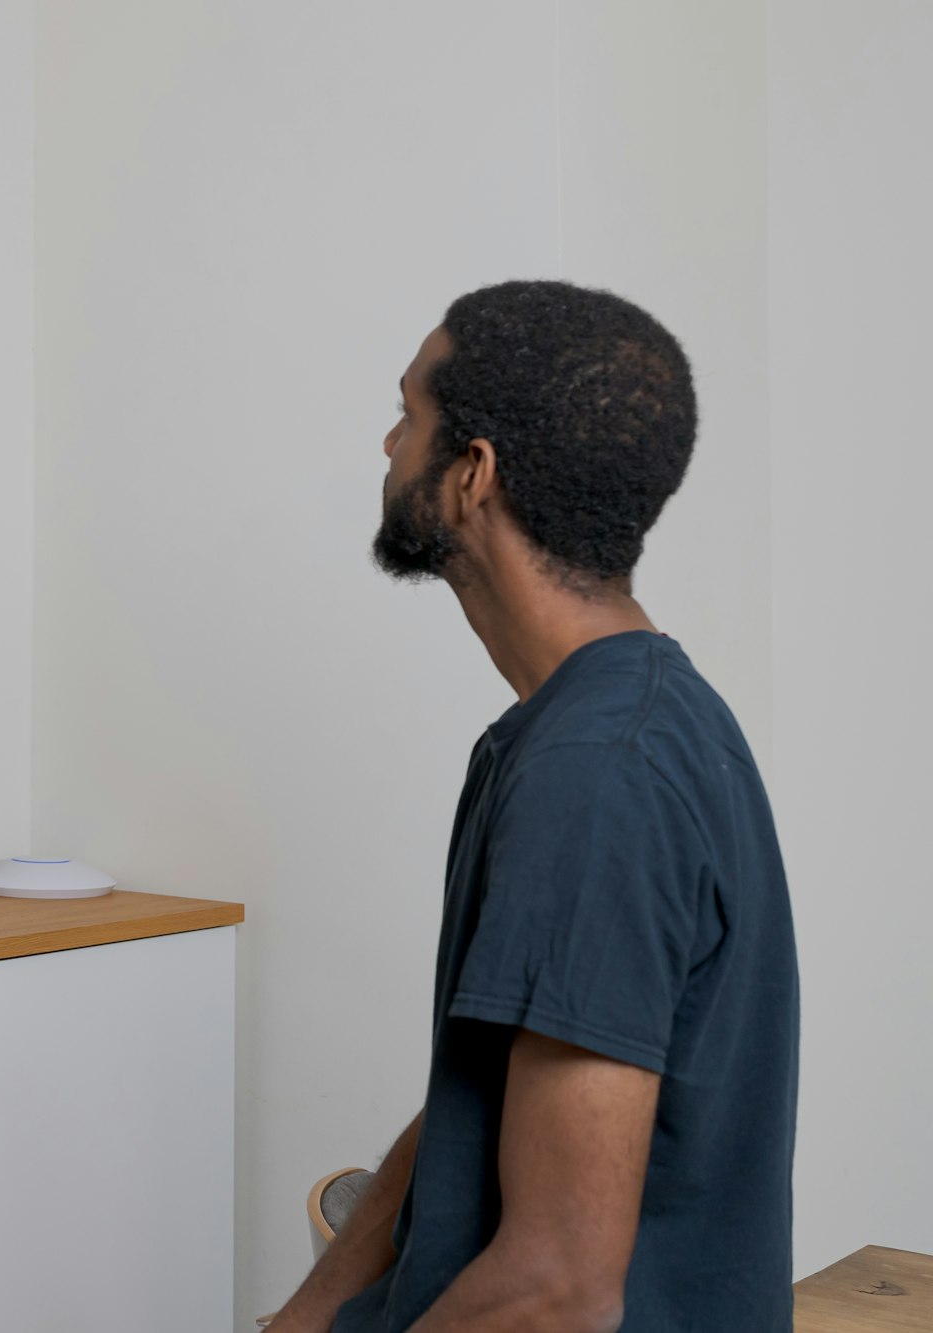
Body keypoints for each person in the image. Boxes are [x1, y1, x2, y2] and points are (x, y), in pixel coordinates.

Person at [272, 280, 797, 1332]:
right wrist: (310, 1311)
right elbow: (500, 1075)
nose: (385, 442)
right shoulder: (616, 723)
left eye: (407, 415)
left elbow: (555, 1289)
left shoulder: (597, 775)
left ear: (471, 474)